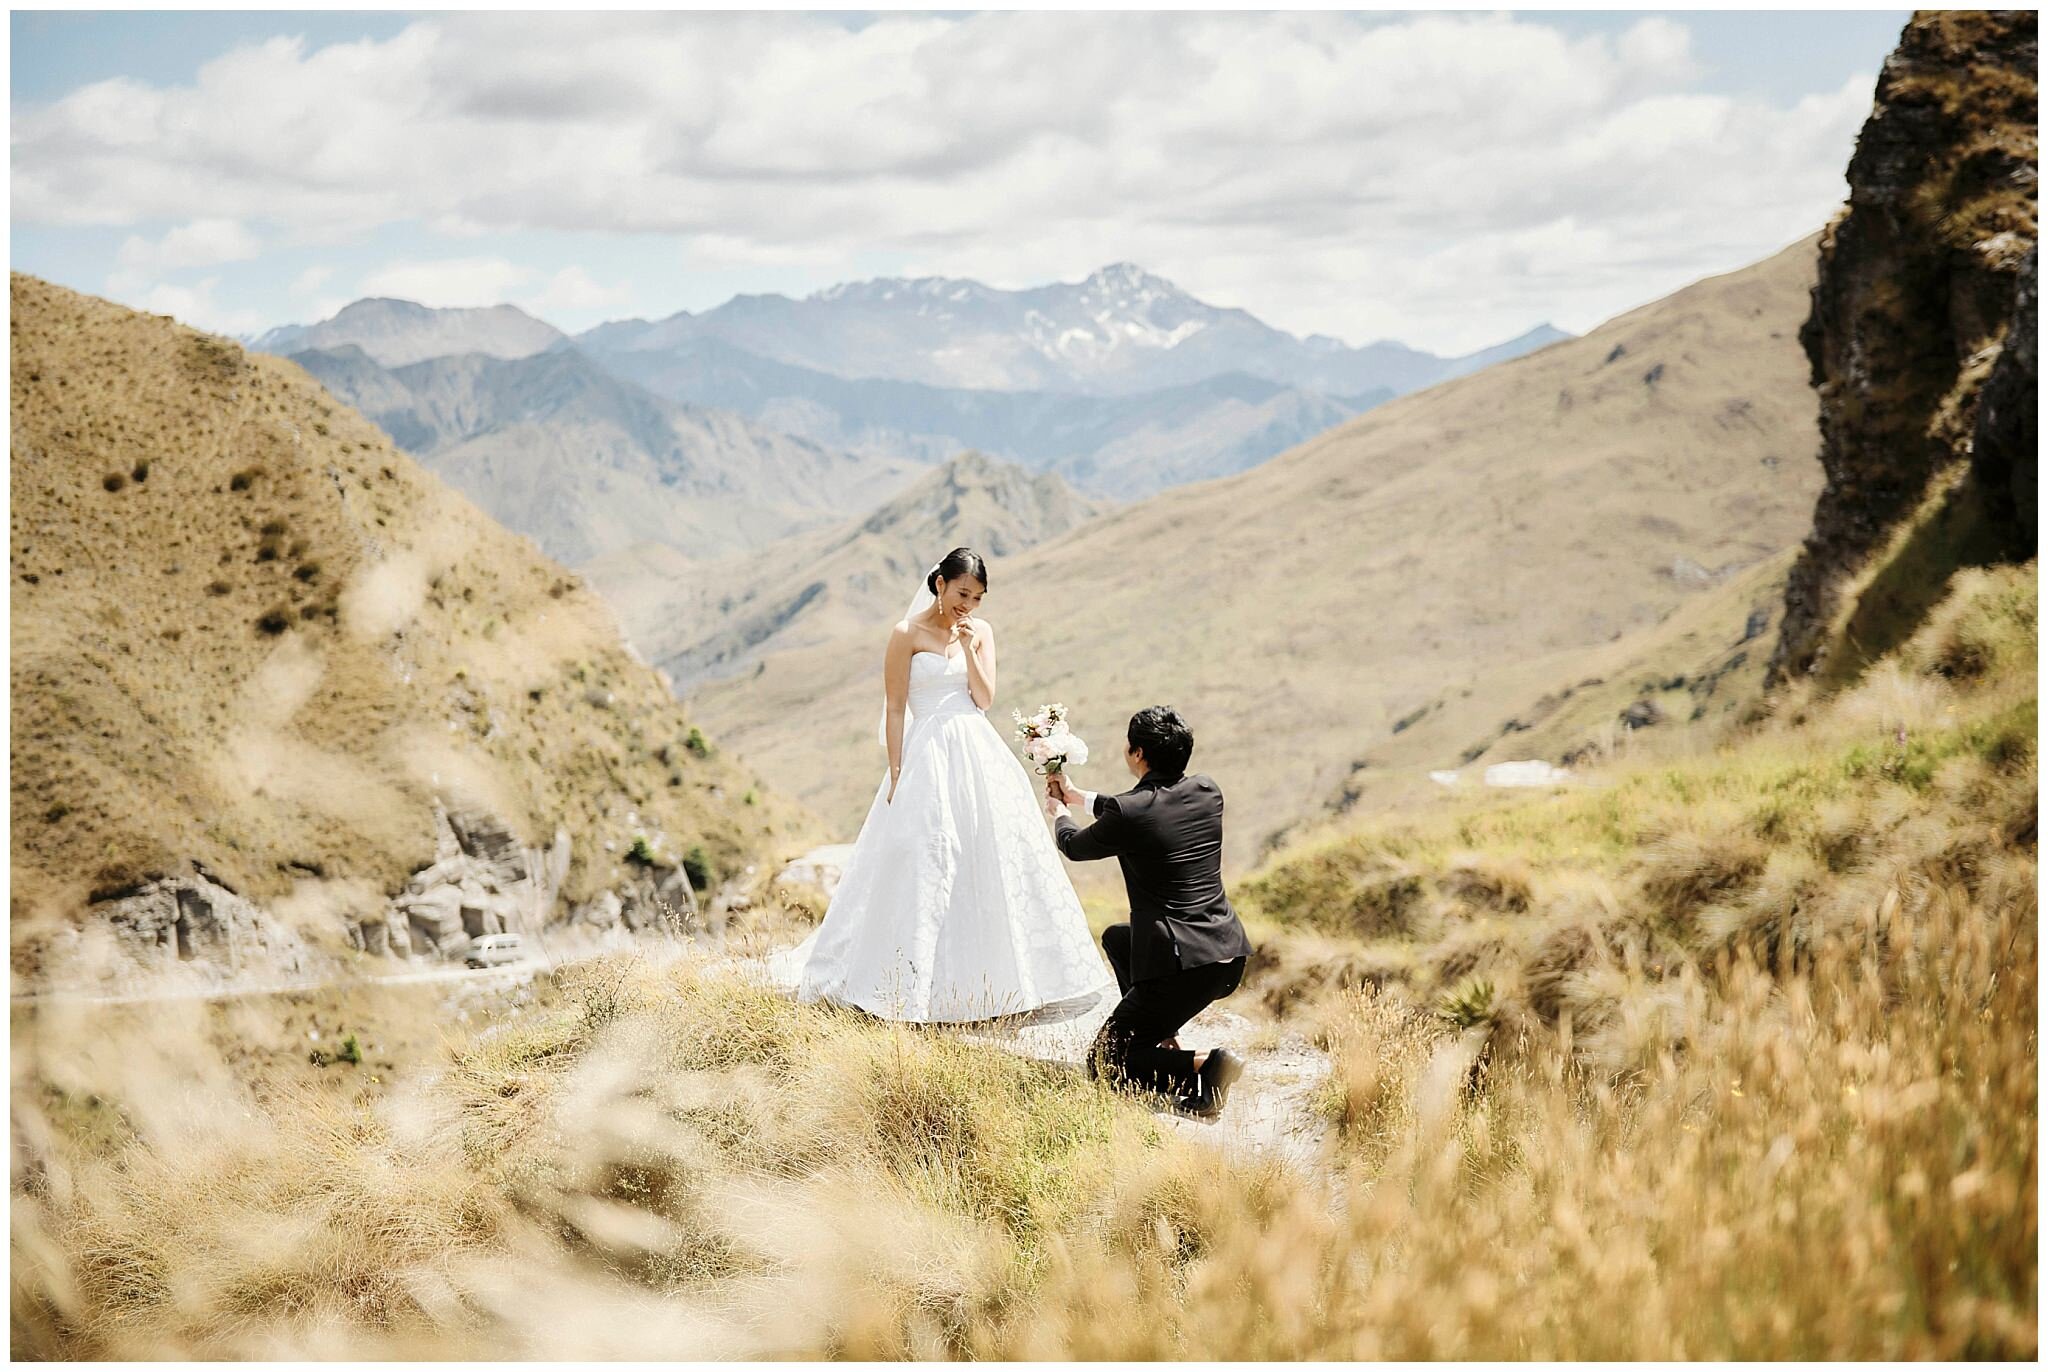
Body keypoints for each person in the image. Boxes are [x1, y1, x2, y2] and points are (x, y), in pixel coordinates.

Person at [788, 547, 1113, 1021]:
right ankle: (906, 978)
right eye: (963, 594)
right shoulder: (906, 634)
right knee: (922, 857)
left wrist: (965, 645)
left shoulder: (980, 632)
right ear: (939, 583)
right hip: (925, 754)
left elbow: (983, 698)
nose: (969, 605)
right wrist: (897, 772)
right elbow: (896, 707)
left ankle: (999, 981)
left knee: (988, 853)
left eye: (978, 598)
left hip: (976, 749)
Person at [1046, 706, 1254, 1118]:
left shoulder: (1131, 813)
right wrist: (1078, 795)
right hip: (1226, 955)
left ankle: (1210, 1065)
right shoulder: (1207, 790)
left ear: (1137, 753)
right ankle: (1160, 1033)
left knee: (1105, 1062)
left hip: (1180, 967)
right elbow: (1141, 810)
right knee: (1117, 938)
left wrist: (1060, 813)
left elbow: (1074, 845)